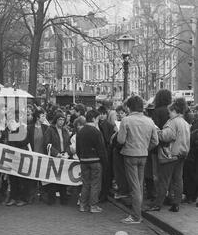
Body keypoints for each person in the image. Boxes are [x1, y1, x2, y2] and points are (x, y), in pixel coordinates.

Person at [117, 95, 159, 224]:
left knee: (134, 186)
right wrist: (146, 148)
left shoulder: (126, 120)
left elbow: (120, 140)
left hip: (130, 155)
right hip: (143, 155)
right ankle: (138, 211)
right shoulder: (149, 121)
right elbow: (155, 141)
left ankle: (136, 216)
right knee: (139, 185)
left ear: (129, 107)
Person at [146, 98, 190, 212]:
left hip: (170, 155)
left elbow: (166, 136)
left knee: (164, 180)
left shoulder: (173, 122)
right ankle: (176, 203)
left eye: (170, 112)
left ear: (175, 111)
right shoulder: (184, 122)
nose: (169, 114)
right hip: (182, 154)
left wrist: (156, 131)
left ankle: (158, 204)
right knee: (178, 179)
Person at [76, 110, 108, 213]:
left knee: (85, 183)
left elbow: (78, 149)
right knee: (95, 183)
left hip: (84, 161)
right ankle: (93, 206)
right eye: (97, 119)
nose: (98, 121)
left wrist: (81, 158)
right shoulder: (96, 132)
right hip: (95, 161)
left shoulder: (80, 132)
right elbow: (101, 149)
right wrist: (105, 162)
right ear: (94, 119)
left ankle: (82, 205)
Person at [45, 112, 71, 205]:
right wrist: (56, 154)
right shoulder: (50, 129)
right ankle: (51, 199)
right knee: (53, 179)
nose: (61, 121)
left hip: (64, 157)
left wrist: (67, 152)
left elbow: (68, 143)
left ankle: (63, 199)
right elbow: (47, 144)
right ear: (56, 120)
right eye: (60, 119)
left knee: (63, 178)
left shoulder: (65, 130)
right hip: (54, 157)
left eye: (63, 120)